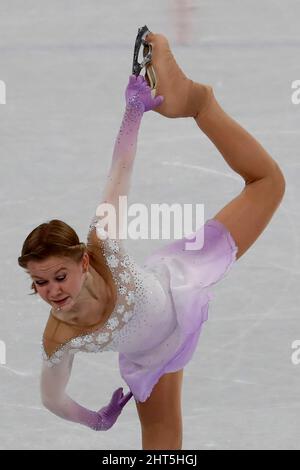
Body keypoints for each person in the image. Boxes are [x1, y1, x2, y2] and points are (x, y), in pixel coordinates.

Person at [18, 31, 285, 450]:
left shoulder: (101, 245)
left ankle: (199, 103)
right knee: (163, 449)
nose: (52, 291)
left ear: (83, 262)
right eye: (40, 282)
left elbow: (120, 169)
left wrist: (134, 111)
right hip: (152, 358)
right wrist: (95, 421)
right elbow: (50, 398)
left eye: (59, 276)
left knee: (267, 183)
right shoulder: (59, 335)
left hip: (182, 279)